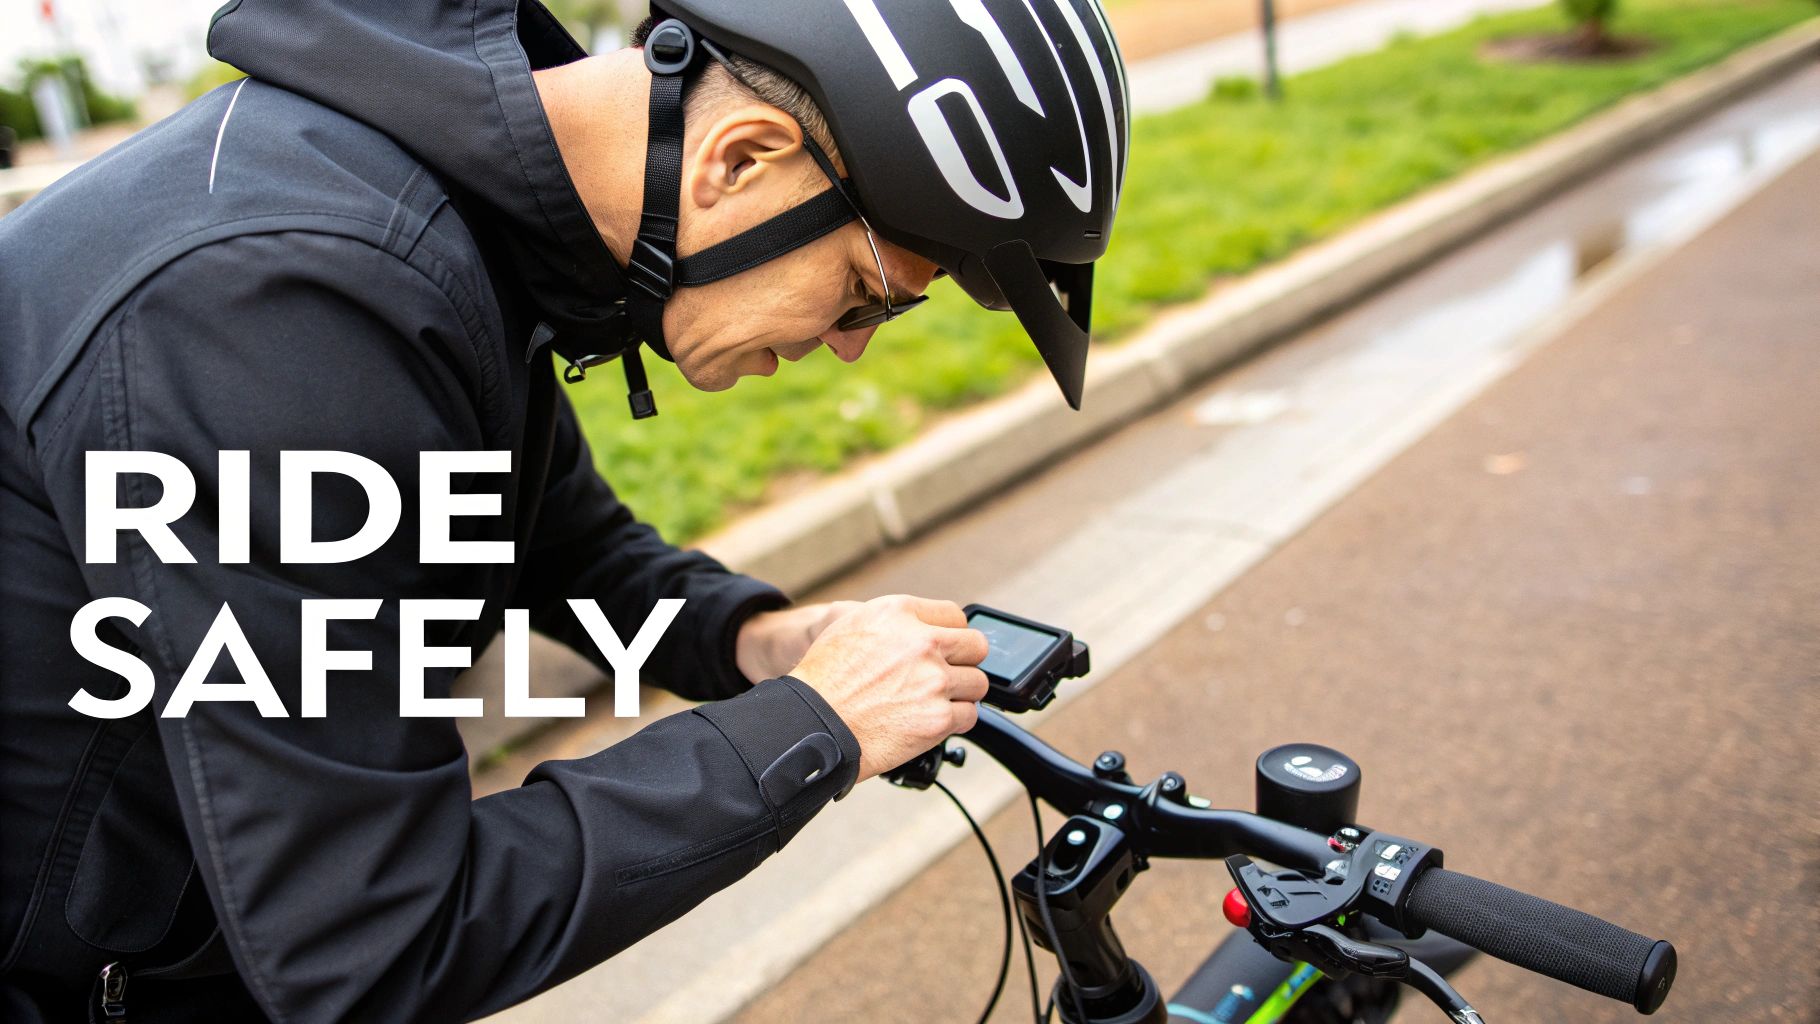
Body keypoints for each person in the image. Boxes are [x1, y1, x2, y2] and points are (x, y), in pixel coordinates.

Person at [0, 1, 1128, 1020]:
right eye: (865, 293)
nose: (846, 347)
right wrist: (812, 725)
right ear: (739, 158)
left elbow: (554, 539)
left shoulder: (464, 219)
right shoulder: (279, 308)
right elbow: (375, 937)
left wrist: (753, 638)